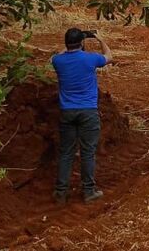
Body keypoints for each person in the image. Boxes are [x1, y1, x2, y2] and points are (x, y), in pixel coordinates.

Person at [51, 28, 113, 205]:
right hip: (88, 112)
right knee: (87, 153)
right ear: (82, 43)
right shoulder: (90, 58)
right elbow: (109, 57)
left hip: (66, 112)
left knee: (66, 153)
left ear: (66, 43)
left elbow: (57, 56)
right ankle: (88, 191)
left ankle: (61, 192)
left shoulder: (58, 61)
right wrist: (101, 40)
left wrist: (67, 48)